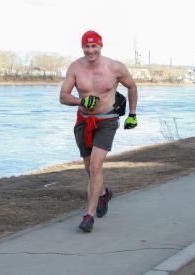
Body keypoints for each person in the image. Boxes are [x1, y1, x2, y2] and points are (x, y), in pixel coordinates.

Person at [59, 30, 138, 232]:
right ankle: (103, 193)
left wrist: (132, 114)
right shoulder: (75, 67)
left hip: (107, 121)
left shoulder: (115, 67)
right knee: (89, 169)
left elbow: (132, 87)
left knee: (95, 167)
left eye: (94, 46)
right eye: (87, 46)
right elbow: (63, 96)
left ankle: (89, 216)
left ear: (101, 46)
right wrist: (81, 100)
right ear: (82, 47)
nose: (90, 50)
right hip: (83, 121)